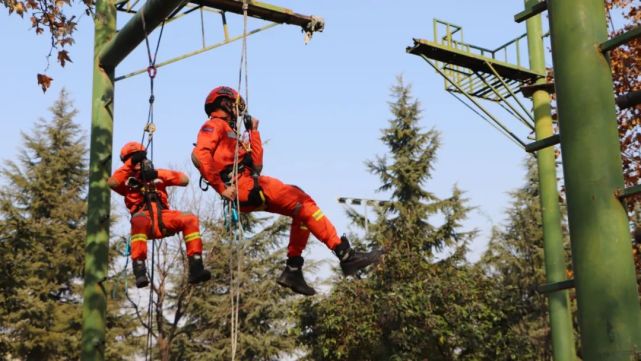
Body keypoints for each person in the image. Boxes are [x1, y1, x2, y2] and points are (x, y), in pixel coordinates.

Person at [191, 86, 380, 296]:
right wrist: (221, 188)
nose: (238, 112)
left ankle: (293, 269)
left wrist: (253, 132)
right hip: (243, 187)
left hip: (250, 184)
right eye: (235, 107)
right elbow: (200, 155)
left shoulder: (233, 135)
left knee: (301, 206)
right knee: (303, 201)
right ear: (224, 103)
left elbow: (257, 165)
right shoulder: (213, 125)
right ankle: (345, 255)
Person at [109, 141, 212, 288]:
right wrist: (130, 164)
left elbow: (184, 180)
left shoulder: (156, 175)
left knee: (190, 218)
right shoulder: (125, 181)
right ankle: (139, 271)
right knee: (138, 221)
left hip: (164, 218)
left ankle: (196, 267)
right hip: (144, 222)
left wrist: (157, 173)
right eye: (134, 159)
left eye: (140, 158)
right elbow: (112, 183)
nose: (139, 162)